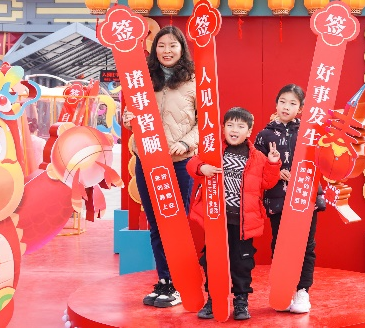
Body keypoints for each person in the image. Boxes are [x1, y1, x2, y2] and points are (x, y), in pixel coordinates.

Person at [123, 25, 199, 308]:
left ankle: (179, 284)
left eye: (172, 45)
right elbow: (131, 115)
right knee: (155, 223)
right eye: (161, 46)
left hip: (179, 163)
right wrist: (127, 118)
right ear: (154, 50)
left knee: (176, 224)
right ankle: (165, 280)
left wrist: (187, 143)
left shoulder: (194, 81)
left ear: (182, 49)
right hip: (148, 162)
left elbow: (205, 122)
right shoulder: (143, 79)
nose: (167, 51)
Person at [188, 107, 282, 321]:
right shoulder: (213, 151)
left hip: (243, 223)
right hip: (216, 220)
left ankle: (241, 301)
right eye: (230, 125)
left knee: (241, 263)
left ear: (249, 131)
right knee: (213, 261)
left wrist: (273, 163)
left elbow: (268, 183)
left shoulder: (258, 157)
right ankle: (213, 299)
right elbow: (193, 164)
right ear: (223, 128)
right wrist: (202, 168)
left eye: (240, 126)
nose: (234, 130)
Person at [254, 84, 323, 314]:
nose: (286, 107)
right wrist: (275, 169)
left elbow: (320, 162)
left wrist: (300, 174)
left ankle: (302, 291)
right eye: (283, 101)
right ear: (276, 104)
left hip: (305, 197)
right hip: (278, 198)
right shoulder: (264, 135)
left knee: (306, 245)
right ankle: (283, 289)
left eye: (293, 103)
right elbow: (256, 169)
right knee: (280, 244)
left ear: (300, 109)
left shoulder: (309, 133)